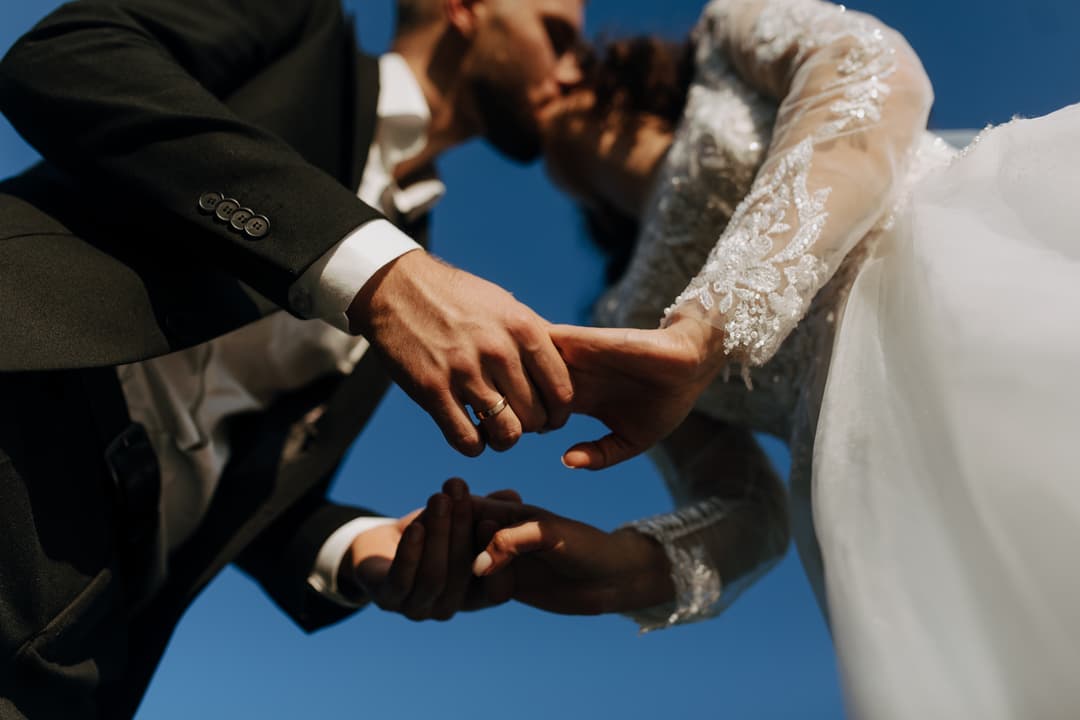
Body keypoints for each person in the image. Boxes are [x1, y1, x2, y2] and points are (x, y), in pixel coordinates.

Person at [461, 0, 1080, 716]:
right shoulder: (622, 323)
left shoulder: (723, 37)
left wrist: (711, 321)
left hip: (972, 280)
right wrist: (615, 569)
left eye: (570, 42)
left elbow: (874, 72)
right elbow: (745, 510)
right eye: (549, 40)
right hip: (880, 481)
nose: (561, 68)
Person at [0, 0, 584, 716]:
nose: (570, 70)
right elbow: (65, 53)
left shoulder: (420, 254)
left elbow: (252, 483)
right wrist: (375, 273)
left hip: (84, 631)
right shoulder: (303, 28)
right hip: (23, 412)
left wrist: (363, 547)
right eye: (556, 34)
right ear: (463, 9)